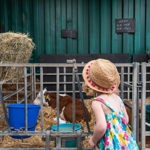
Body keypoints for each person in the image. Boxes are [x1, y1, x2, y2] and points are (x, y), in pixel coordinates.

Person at [82, 58, 139, 150]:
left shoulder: (97, 102)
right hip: (127, 142)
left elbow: (101, 126)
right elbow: (126, 119)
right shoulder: (117, 98)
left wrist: (93, 140)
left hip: (111, 145)